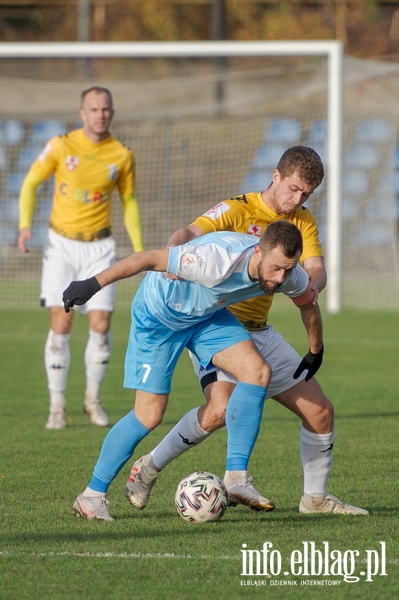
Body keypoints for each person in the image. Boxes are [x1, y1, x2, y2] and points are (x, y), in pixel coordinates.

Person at [126, 146, 368, 516]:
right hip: (216, 326)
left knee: (321, 412)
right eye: (293, 188)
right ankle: (151, 468)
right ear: (276, 176)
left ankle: (315, 499)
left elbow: (317, 270)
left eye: (306, 194)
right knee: (220, 409)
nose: (297, 199)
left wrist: (309, 287)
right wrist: (173, 256)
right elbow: (189, 232)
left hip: (260, 331)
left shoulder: (302, 221)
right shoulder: (237, 208)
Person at [62, 221, 323, 521]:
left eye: (288, 270)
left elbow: (308, 305)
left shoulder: (288, 273)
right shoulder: (215, 260)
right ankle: (91, 497)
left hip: (206, 317)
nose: (280, 279)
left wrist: (316, 350)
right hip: (159, 319)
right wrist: (91, 285)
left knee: (257, 371)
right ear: (258, 253)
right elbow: (147, 259)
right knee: (149, 415)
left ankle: (236, 478)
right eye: (276, 268)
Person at [17, 86, 144, 430]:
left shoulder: (121, 155)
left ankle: (92, 400)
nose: (100, 114)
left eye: (106, 109)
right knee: (61, 323)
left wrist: (138, 246)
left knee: (101, 326)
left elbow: (129, 201)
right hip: (61, 245)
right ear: (82, 113)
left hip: (100, 248)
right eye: (94, 108)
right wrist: (25, 226)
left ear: (112, 114)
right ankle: (57, 404)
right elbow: (30, 183)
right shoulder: (61, 145)